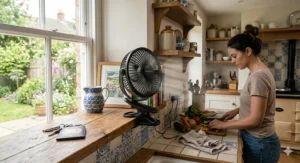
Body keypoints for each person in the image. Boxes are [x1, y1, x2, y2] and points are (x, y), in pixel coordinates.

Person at [208, 25, 281, 163]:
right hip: (256, 140)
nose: (232, 60)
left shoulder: (258, 76)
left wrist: (223, 125)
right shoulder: (255, 73)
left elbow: (255, 120)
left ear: (247, 51)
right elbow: (257, 106)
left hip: (261, 144)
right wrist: (237, 110)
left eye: (234, 56)